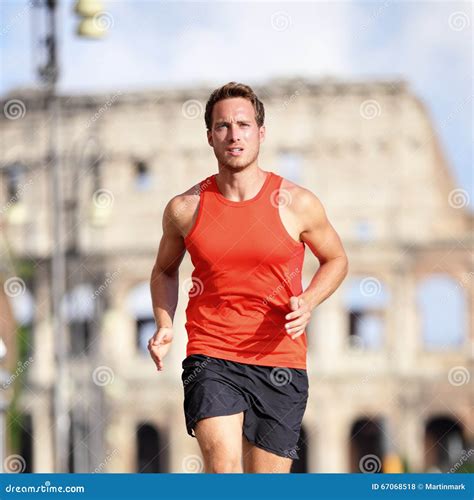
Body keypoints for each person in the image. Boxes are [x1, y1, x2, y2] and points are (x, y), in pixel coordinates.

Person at [149, 82, 348, 473]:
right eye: (223, 126)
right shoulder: (185, 209)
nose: (234, 135)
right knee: (222, 471)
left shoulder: (297, 203)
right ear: (210, 136)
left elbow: (336, 259)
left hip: (280, 360)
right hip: (212, 355)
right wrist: (164, 323)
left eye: (243, 124)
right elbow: (164, 270)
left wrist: (308, 301)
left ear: (261, 132)